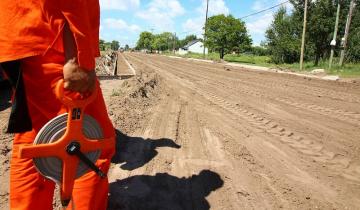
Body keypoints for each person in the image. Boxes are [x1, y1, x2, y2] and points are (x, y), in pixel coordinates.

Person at [0, 1, 115, 209]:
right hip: (54, 34)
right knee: (94, 146)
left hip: (23, 31)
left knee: (36, 139)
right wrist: (77, 57)